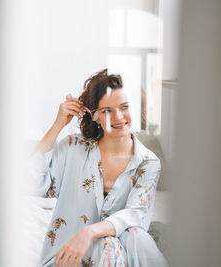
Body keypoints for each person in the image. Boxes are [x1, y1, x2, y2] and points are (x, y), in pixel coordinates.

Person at [29, 69, 168, 267]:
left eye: (125, 107)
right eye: (107, 111)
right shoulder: (72, 148)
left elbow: (136, 214)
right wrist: (58, 124)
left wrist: (89, 232)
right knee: (110, 245)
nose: (118, 117)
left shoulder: (148, 162)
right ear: (95, 116)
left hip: (124, 256)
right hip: (68, 258)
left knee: (136, 236)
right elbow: (31, 182)